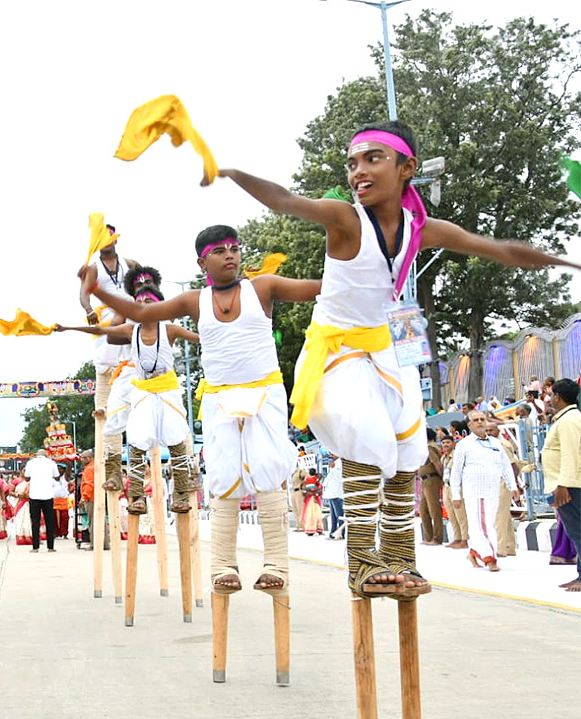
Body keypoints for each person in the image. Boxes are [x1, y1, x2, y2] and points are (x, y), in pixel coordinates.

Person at [216, 120, 578, 595]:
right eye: (352, 163)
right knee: (365, 436)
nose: (358, 172)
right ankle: (364, 566)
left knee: (407, 448)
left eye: (372, 159)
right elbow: (286, 200)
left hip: (384, 351)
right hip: (335, 352)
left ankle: (402, 561)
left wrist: (564, 261)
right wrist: (229, 172)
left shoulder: (420, 230)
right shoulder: (345, 219)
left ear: (407, 168)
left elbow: (498, 249)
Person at [91, 236, 320, 595]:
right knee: (223, 474)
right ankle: (223, 565)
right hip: (218, 398)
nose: (230, 256)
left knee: (269, 468)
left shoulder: (263, 287)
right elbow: (139, 316)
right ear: (202, 263)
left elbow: (317, 288)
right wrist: (96, 292)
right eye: (219, 252)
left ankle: (275, 563)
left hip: (265, 394)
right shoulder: (193, 300)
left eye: (234, 249)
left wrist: (367, 268)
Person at [59, 272, 198, 517]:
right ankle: (136, 497)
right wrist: (67, 328)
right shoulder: (129, 328)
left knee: (177, 437)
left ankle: (181, 494)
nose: (145, 306)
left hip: (167, 390)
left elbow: (202, 339)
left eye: (151, 302)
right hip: (141, 390)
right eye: (140, 302)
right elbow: (101, 330)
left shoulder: (170, 329)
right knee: (135, 440)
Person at [79, 225, 138, 492]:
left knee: (132, 357)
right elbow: (84, 292)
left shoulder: (129, 264)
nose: (107, 243)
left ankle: (134, 396)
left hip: (129, 315)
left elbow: (146, 282)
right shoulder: (94, 268)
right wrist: (89, 309)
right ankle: (102, 404)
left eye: (110, 238)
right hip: (105, 317)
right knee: (104, 363)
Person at [450, 409, 519, 571]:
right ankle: (490, 558)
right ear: (469, 425)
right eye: (476, 420)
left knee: (484, 524)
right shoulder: (463, 445)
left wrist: (513, 486)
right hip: (475, 492)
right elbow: (456, 472)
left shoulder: (495, 443)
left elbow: (505, 467)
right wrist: (456, 495)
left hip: (493, 491)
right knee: (483, 526)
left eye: (482, 419)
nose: (480, 422)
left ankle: (474, 552)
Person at [541, 378, 581, 591]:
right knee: (576, 532)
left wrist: (563, 484)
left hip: (570, 486)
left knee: (578, 532)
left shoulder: (569, 420)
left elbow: (570, 454)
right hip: (567, 484)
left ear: (558, 396)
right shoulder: (566, 418)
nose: (548, 399)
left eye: (550, 395)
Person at [487, 417, 520, 557]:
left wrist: (513, 485)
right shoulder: (490, 444)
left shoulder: (502, 444)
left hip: (502, 482)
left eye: (491, 430)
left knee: (499, 516)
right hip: (494, 482)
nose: (488, 432)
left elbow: (513, 466)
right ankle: (509, 547)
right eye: (486, 430)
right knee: (504, 516)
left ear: (498, 430)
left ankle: (500, 548)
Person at [23, 449, 61, 552]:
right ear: (46, 455)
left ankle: (35, 547)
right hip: (48, 495)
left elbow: (26, 478)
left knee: (35, 522)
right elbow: (57, 477)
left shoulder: (30, 463)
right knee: (49, 521)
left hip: (34, 495)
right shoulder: (51, 463)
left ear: (36, 455)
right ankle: (50, 547)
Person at [417, 429, 445, 545]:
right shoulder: (428, 447)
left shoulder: (430, 448)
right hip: (425, 480)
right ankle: (428, 537)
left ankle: (437, 538)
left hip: (431, 479)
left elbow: (437, 463)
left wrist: (441, 477)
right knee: (423, 510)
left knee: (434, 509)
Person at [441, 435, 469, 549]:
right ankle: (457, 538)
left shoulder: (457, 456)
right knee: (451, 514)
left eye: (448, 442)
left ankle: (465, 539)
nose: (445, 445)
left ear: (453, 443)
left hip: (456, 487)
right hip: (446, 486)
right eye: (443, 443)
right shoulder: (444, 457)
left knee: (460, 514)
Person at [324, 455, 345, 539]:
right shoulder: (333, 464)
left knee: (339, 515)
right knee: (333, 516)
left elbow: (338, 478)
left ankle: (341, 533)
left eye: (333, 453)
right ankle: (332, 533)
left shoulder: (340, 464)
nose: (331, 455)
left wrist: (333, 468)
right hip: (331, 492)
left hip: (337, 493)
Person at [79, 449, 96, 549]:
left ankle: (94, 544)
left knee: (92, 522)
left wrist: (84, 498)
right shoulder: (95, 466)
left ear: (90, 458)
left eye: (84, 458)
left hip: (91, 498)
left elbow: (89, 485)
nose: (82, 460)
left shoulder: (89, 469)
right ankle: (104, 543)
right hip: (95, 496)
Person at [300, 468, 323, 535]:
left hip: (310, 498)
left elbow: (303, 488)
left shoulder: (307, 480)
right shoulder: (316, 481)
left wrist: (310, 491)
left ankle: (312, 529)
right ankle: (318, 529)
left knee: (310, 514)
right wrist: (314, 491)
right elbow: (319, 490)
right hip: (314, 498)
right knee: (317, 514)